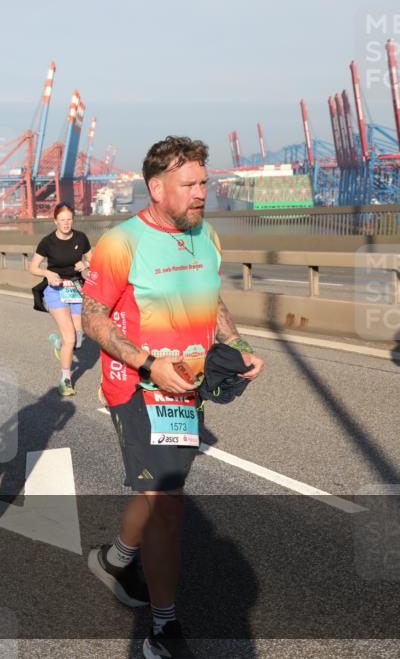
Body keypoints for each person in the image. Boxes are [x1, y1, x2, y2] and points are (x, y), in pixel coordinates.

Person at [81, 136, 265, 659]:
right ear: (157, 188)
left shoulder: (204, 234)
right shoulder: (121, 242)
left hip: (189, 386)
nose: (202, 193)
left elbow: (213, 296)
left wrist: (239, 344)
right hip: (137, 386)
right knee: (168, 505)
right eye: (190, 185)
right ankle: (163, 627)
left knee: (161, 489)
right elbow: (92, 316)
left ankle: (116, 559)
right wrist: (148, 363)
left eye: (205, 182)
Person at [29, 201, 92, 397]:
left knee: (78, 338)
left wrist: (86, 264)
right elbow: (33, 267)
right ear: (55, 221)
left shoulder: (81, 238)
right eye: (62, 220)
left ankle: (59, 343)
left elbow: (95, 259)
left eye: (69, 219)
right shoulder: (48, 242)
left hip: (74, 288)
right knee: (70, 337)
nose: (66, 223)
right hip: (55, 290)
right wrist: (47, 273)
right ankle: (65, 379)